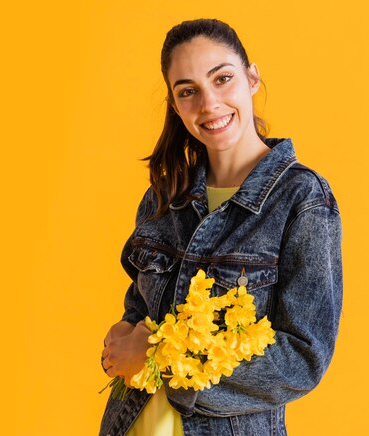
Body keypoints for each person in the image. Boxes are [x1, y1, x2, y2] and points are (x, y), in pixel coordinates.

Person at [99, 18, 343, 436]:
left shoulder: (301, 199)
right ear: (175, 106)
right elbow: (139, 314)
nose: (209, 104)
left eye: (223, 78)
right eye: (188, 91)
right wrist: (121, 338)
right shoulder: (164, 196)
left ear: (252, 78)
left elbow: (303, 359)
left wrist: (163, 358)